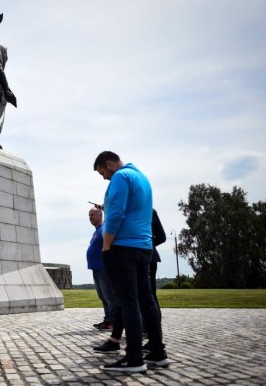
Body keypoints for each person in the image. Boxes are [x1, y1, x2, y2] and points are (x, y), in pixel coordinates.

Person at [94, 151, 168, 373]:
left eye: (103, 173)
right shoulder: (142, 177)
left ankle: (134, 358)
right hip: (144, 248)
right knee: (147, 300)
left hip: (124, 248)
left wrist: (106, 245)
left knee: (128, 302)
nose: (104, 178)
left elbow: (116, 213)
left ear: (109, 164)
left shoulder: (120, 177)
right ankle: (158, 352)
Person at [86, 205, 116, 331]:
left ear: (100, 215)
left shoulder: (104, 228)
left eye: (92, 215)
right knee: (102, 296)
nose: (90, 217)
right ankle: (107, 319)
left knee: (109, 296)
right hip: (96, 268)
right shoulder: (96, 231)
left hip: (104, 267)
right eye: (89, 215)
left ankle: (113, 321)